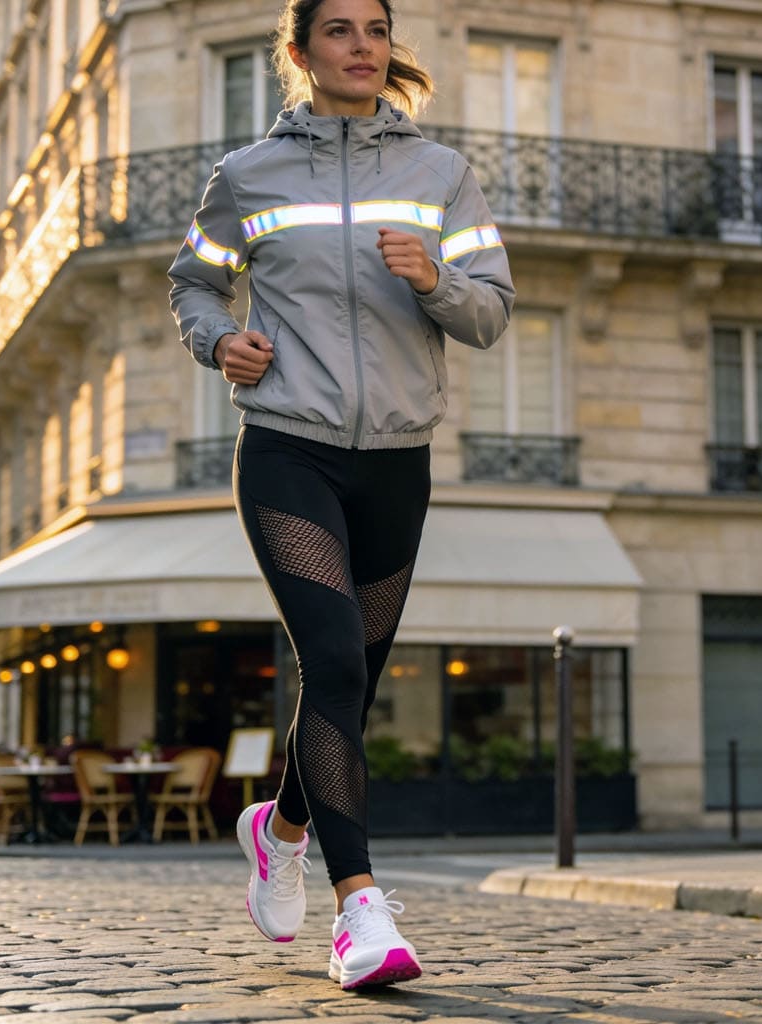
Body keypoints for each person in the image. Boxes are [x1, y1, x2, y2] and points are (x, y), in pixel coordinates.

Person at [167, 0, 513, 991]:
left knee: (351, 676)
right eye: (340, 30)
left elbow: (490, 312)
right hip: (287, 446)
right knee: (328, 654)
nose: (363, 47)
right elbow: (195, 282)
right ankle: (359, 907)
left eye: (376, 29)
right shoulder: (248, 177)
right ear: (300, 51)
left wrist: (436, 279)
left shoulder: (440, 176)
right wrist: (217, 340)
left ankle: (278, 828)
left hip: (396, 459)